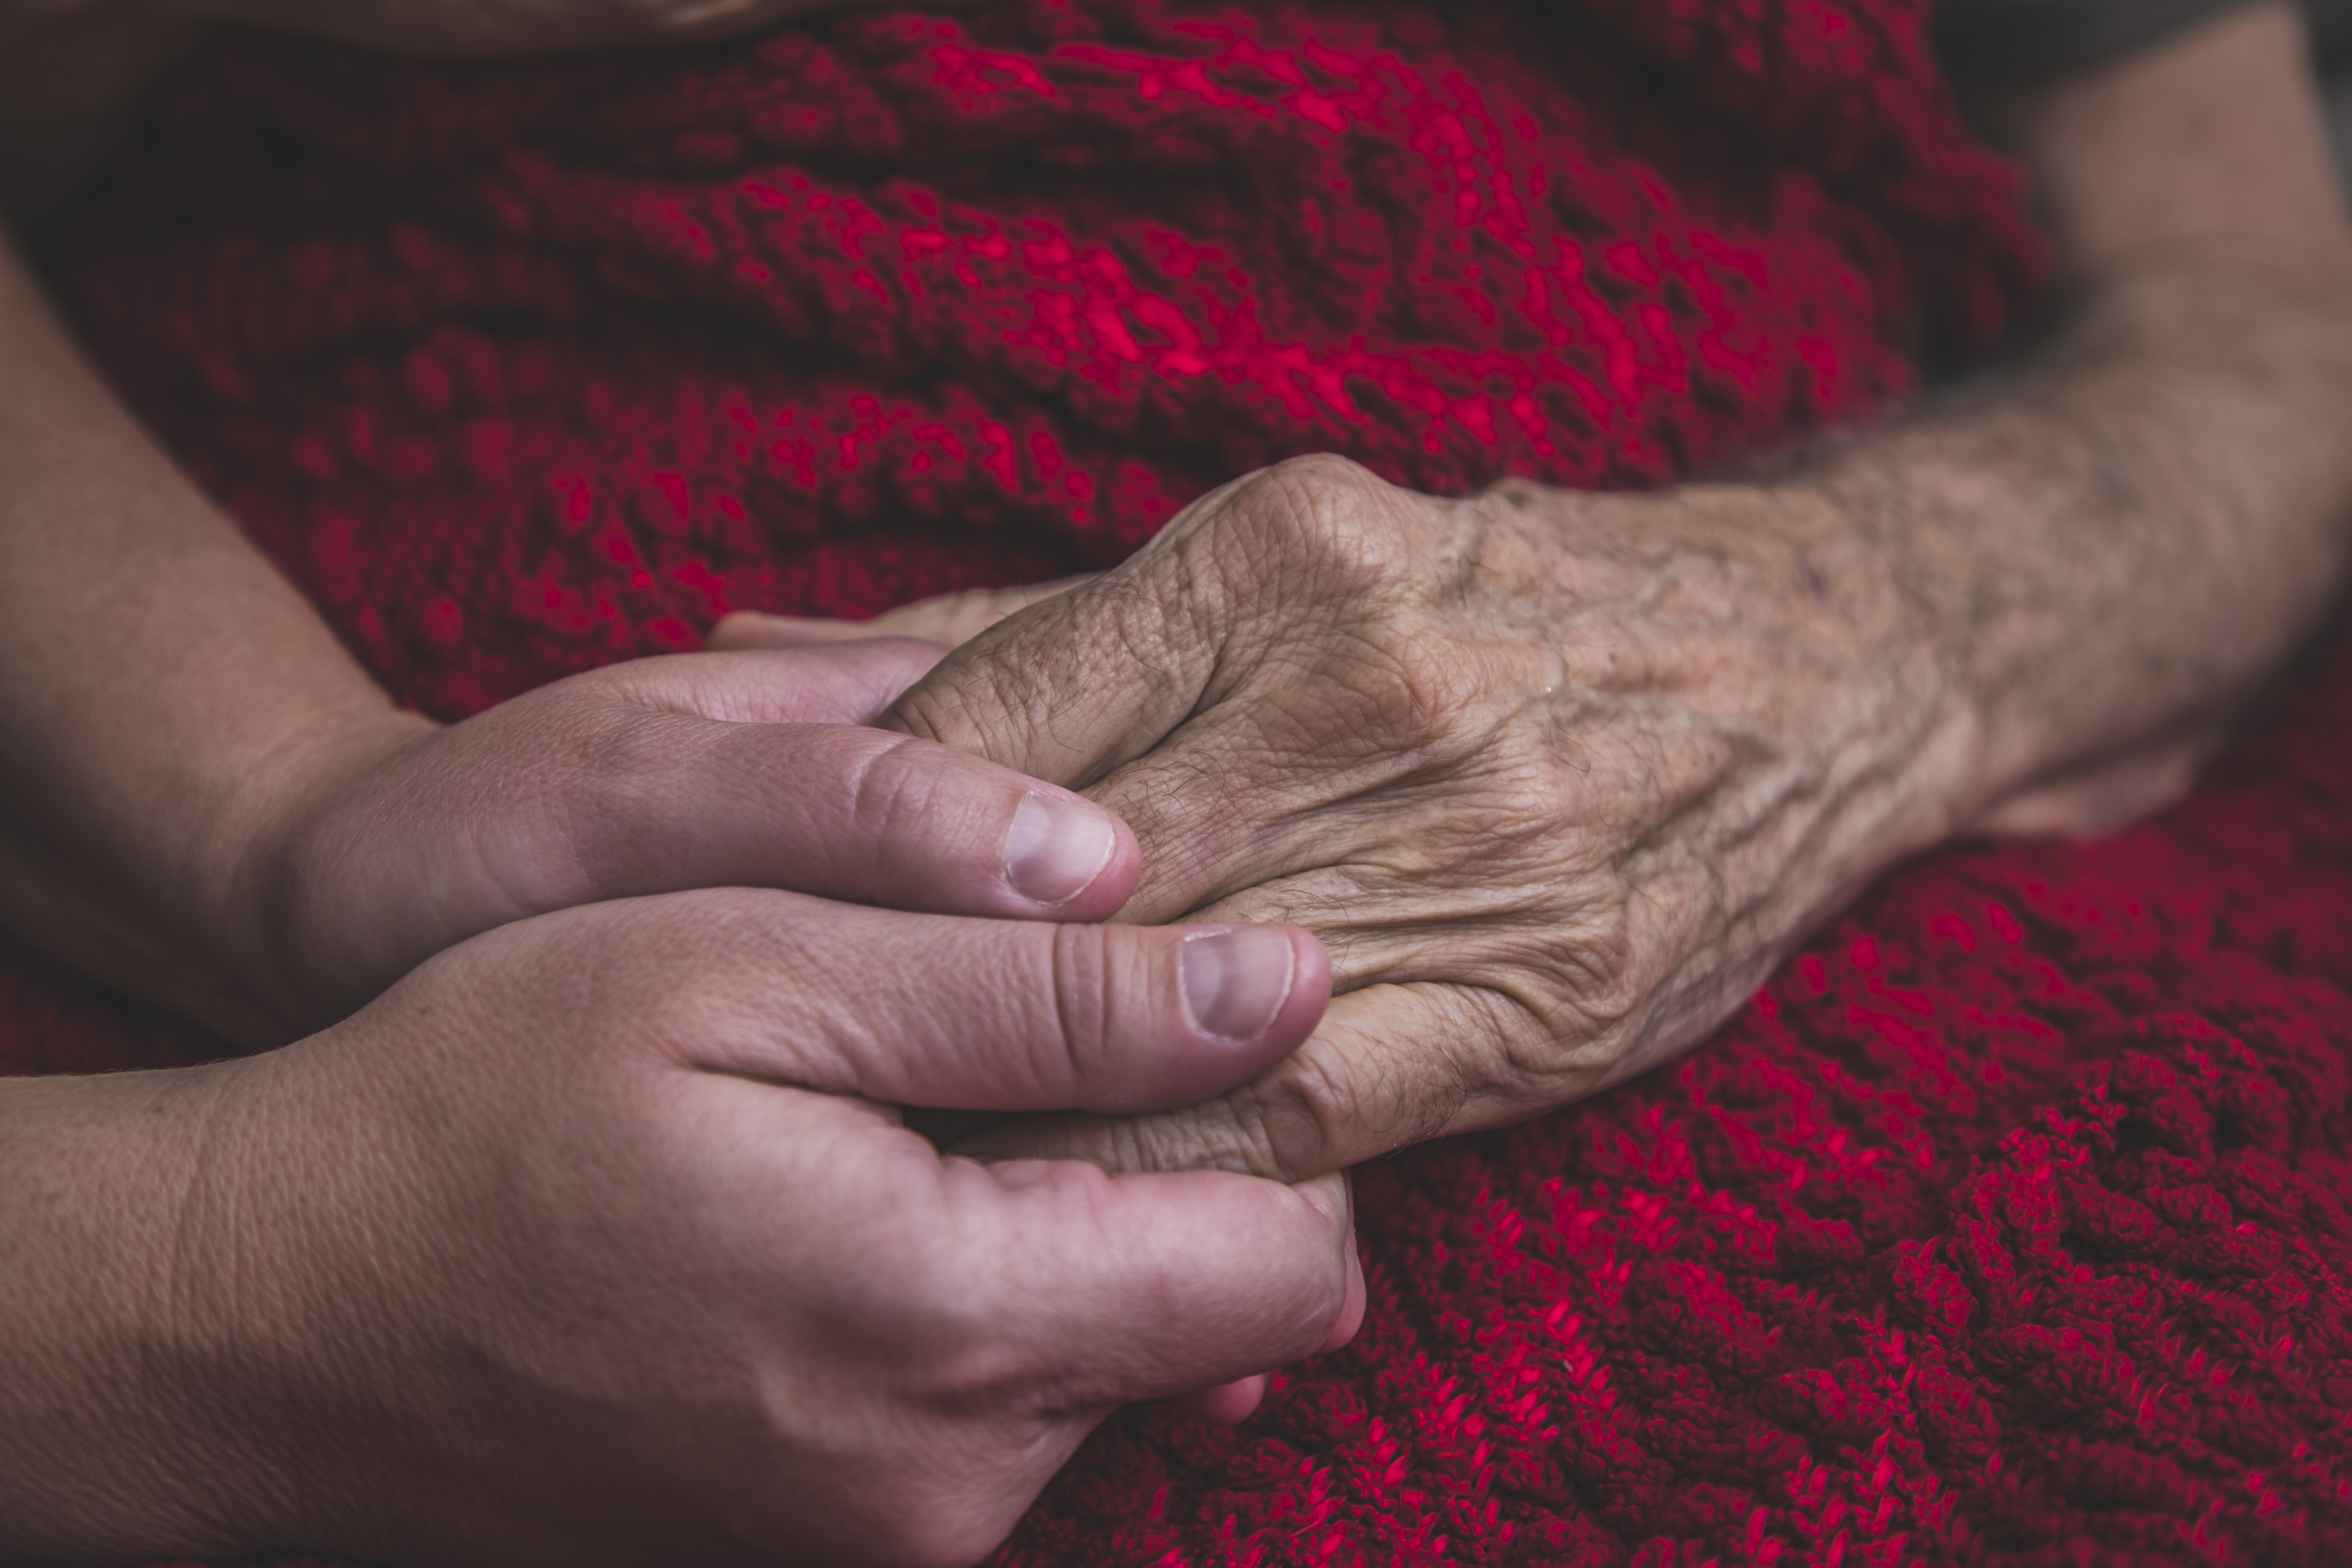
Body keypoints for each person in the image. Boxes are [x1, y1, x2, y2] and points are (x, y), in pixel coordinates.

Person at [0, 1, 2347, 1565]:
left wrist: (1839, 630)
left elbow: (2274, 321)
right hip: (531, 903)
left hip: (1959, 738)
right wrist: (274, 831)